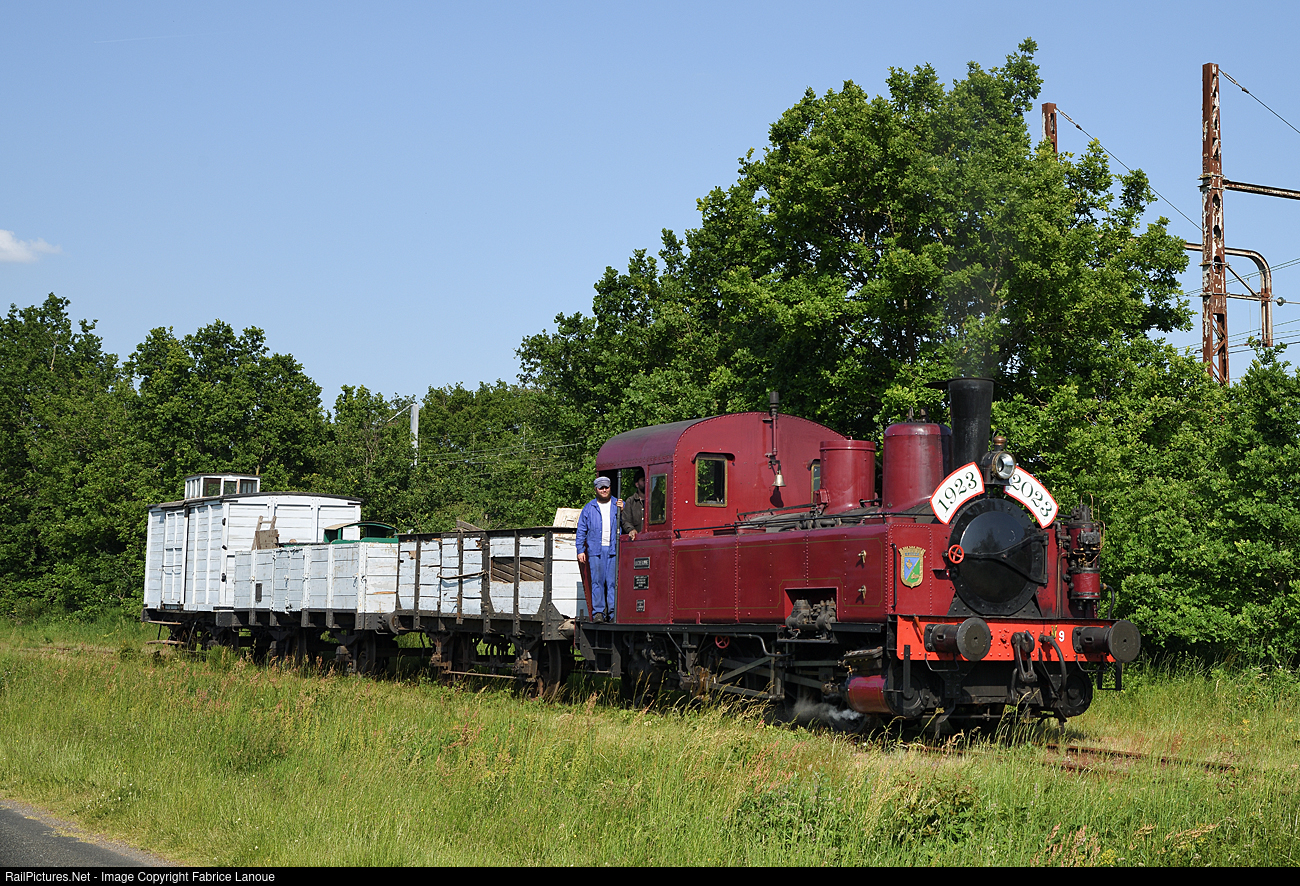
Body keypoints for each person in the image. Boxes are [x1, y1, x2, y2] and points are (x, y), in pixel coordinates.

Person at [576, 476, 619, 622]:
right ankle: (598, 613)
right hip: (595, 550)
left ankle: (613, 613)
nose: (604, 490)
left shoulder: (618, 505)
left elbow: (627, 522)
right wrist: (580, 550)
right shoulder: (589, 508)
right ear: (596, 489)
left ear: (610, 488)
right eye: (601, 488)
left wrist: (623, 509)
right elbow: (581, 530)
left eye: (606, 487)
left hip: (614, 550)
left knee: (612, 582)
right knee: (597, 582)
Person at [620, 469, 645, 540]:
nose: (646, 482)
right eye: (643, 480)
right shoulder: (630, 501)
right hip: (637, 540)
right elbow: (626, 520)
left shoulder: (656, 500)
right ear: (637, 484)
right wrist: (631, 530)